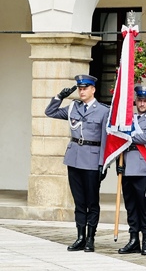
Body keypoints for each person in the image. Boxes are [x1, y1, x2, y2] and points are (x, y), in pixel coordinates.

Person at [45, 74, 109, 252]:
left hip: (92, 159)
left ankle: (90, 238)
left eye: (85, 88)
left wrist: (103, 163)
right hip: (74, 159)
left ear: (93, 89)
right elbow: (50, 112)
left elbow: (105, 139)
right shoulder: (73, 107)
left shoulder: (103, 111)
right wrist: (59, 97)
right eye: (80, 88)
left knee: (92, 202)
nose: (82, 91)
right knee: (79, 201)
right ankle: (80, 236)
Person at [117, 85, 146, 256]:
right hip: (127, 166)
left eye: (145, 100)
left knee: (144, 206)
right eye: (139, 100)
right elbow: (117, 142)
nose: (142, 103)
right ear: (135, 101)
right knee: (131, 206)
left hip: (143, 167)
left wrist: (126, 135)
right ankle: (133, 238)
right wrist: (118, 164)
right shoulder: (128, 119)